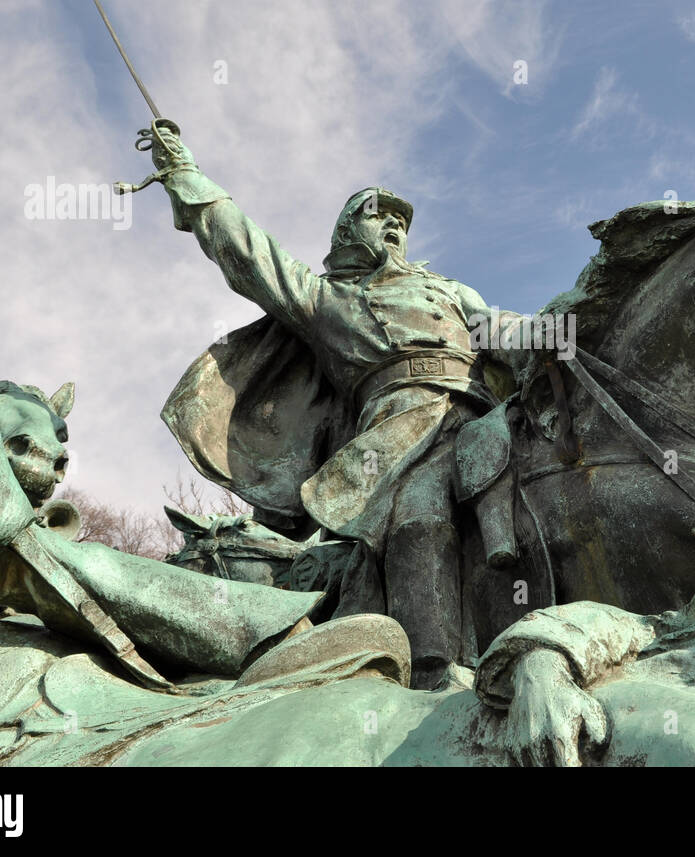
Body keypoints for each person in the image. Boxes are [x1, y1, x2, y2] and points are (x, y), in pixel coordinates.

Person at [140, 126, 525, 688]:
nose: (394, 224)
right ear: (349, 229)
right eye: (378, 215)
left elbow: (499, 325)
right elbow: (249, 253)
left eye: (401, 220)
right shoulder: (326, 299)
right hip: (399, 433)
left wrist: (549, 340)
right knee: (421, 515)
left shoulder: (446, 289)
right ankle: (433, 671)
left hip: (484, 409)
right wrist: (185, 176)